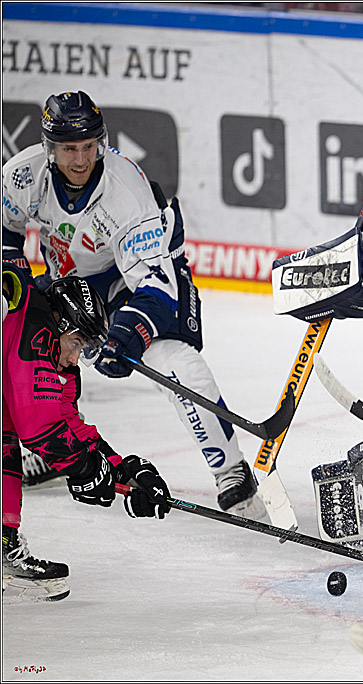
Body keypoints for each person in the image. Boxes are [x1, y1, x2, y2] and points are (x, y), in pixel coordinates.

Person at [2, 91, 264, 518]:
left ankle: (231, 470)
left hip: (139, 275)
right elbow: (5, 228)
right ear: (50, 148)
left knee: (169, 358)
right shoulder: (23, 175)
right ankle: (57, 443)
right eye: (69, 148)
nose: (82, 158)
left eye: (89, 146)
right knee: (36, 345)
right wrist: (18, 284)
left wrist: (126, 336)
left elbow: (156, 292)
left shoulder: (126, 192)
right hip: (72, 277)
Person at [3, 264, 171, 603]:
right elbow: (40, 428)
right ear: (61, 324)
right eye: (77, 342)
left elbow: (66, 421)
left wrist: (123, 470)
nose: (76, 356)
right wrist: (86, 469)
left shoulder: (50, 348)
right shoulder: (32, 324)